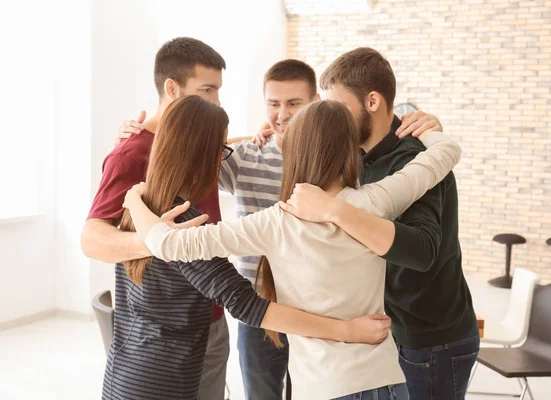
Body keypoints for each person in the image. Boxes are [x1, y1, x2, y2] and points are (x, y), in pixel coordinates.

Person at [117, 58, 442, 400]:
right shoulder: (250, 160)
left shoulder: (334, 181)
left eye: (293, 105)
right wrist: (135, 142)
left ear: (314, 103)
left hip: (325, 338)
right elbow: (200, 148)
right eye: (273, 104)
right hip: (270, 317)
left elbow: (172, 221)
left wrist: (132, 196)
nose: (282, 114)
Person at [283, 47, 479, 400]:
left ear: (372, 101)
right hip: (390, 334)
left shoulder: (415, 158)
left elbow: (422, 250)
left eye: (339, 109)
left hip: (429, 340)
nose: (332, 121)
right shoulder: (357, 157)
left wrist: (335, 211)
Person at [81, 37, 231, 400]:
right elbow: (92, 238)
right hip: (164, 333)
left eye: (218, 91)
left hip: (211, 320)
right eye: (206, 90)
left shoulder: (201, 142)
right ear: (172, 88)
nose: (215, 101)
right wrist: (160, 239)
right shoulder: (131, 154)